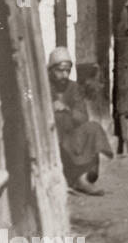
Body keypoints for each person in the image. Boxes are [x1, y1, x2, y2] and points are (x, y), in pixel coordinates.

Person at [47, 48, 113, 194]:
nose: (64, 75)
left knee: (93, 128)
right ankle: (63, 179)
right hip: (51, 135)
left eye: (67, 71)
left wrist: (66, 109)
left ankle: (83, 180)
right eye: (60, 70)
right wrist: (50, 108)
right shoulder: (43, 87)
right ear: (51, 70)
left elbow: (83, 116)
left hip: (71, 131)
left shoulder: (74, 87)